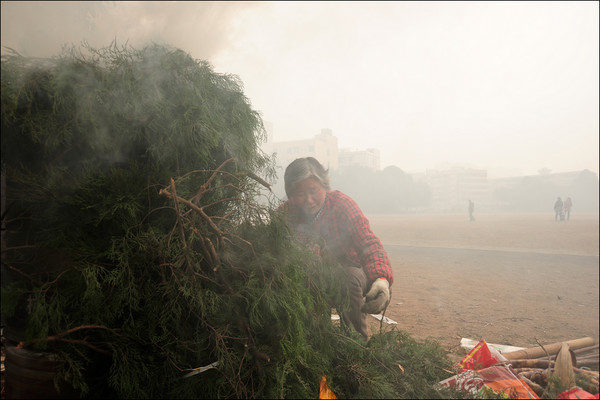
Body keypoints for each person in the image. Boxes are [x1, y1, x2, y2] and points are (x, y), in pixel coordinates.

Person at [280, 157, 393, 340]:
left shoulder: (342, 205)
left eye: (313, 190)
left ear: (325, 185)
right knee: (305, 282)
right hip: (312, 278)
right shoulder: (285, 214)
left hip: (350, 274)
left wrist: (381, 279)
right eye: (301, 194)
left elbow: (368, 243)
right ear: (291, 194)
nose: (308, 200)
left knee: (347, 279)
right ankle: (317, 341)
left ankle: (356, 342)